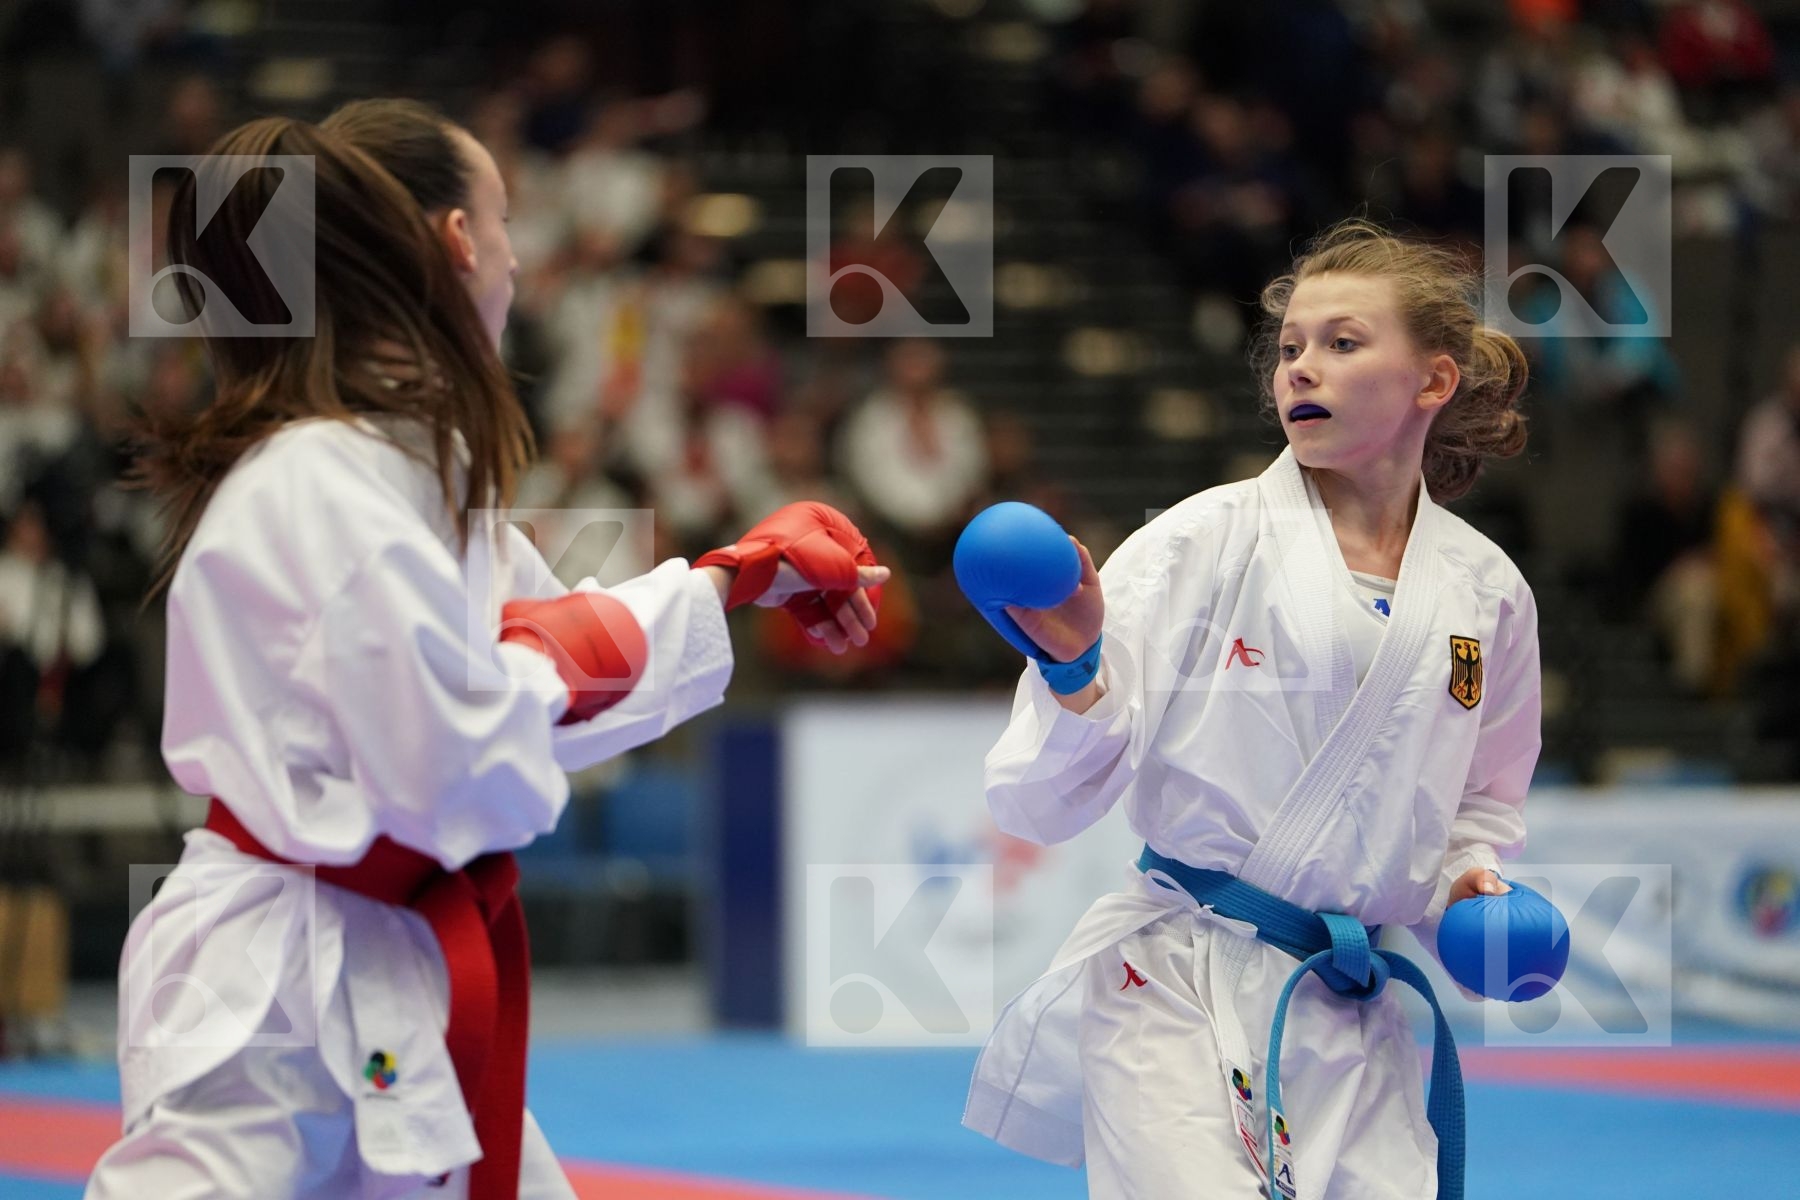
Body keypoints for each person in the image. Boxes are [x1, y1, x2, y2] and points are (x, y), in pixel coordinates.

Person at [85, 102, 886, 1200]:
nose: (516, 255)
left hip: (375, 955)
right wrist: (535, 665)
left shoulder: (407, 473)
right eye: (505, 219)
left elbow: (563, 664)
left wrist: (734, 576)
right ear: (461, 241)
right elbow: (457, 765)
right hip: (274, 988)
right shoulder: (328, 482)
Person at [964, 218, 1540, 1199]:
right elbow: (1033, 806)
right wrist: (1074, 673)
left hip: (1351, 1005)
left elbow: (1479, 808)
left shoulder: (1487, 590)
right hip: (1177, 984)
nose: (1302, 369)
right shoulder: (1201, 542)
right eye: (1290, 349)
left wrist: (1474, 892)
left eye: (1343, 344)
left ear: (1432, 382)